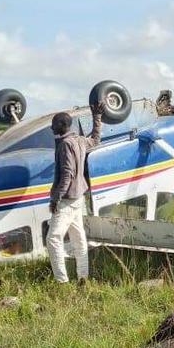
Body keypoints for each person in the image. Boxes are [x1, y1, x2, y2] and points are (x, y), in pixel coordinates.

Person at [47, 103, 104, 284]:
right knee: (79, 239)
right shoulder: (79, 140)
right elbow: (95, 139)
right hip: (79, 198)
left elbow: (67, 175)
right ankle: (83, 277)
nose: (51, 127)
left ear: (62, 126)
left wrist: (56, 199)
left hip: (67, 200)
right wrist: (97, 117)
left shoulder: (64, 145)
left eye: (54, 124)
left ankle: (62, 282)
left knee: (53, 239)